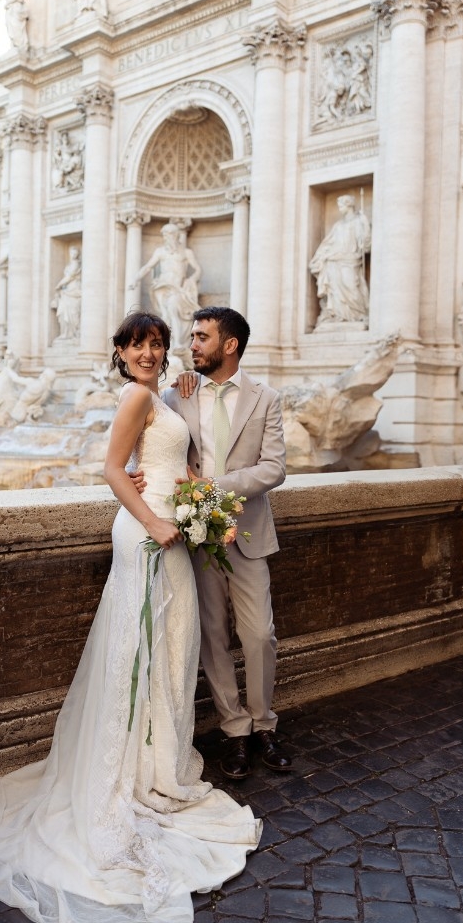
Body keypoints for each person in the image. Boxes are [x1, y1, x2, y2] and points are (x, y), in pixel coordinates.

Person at [0, 311, 261, 923]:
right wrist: (158, 521)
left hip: (170, 528)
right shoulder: (135, 395)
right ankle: (128, 767)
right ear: (120, 350)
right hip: (145, 534)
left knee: (170, 642)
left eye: (157, 344)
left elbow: (170, 463)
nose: (149, 352)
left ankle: (154, 759)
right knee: (139, 644)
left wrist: (203, 506)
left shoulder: (160, 394)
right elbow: (113, 469)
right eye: (138, 344)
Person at [161, 307, 291, 781]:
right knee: (212, 639)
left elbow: (274, 468)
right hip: (196, 540)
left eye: (201, 337)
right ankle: (235, 730)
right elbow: (153, 436)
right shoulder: (180, 395)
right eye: (192, 336)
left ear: (229, 344)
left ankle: (264, 724)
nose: (191, 345)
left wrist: (212, 489)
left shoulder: (266, 398)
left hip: (249, 534)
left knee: (259, 635)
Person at [135, 224, 201, 355]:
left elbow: (198, 270)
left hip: (177, 289)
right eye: (164, 235)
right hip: (162, 288)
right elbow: (148, 267)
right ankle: (169, 344)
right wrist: (136, 279)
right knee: (166, 316)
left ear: (174, 235)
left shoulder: (186, 252)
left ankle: (177, 344)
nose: (165, 238)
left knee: (172, 308)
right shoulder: (160, 252)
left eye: (167, 235)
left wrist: (191, 280)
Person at [309, 194, 371, 326]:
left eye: (341, 206)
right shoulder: (338, 225)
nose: (339, 208)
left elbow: (365, 243)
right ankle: (338, 314)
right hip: (335, 258)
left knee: (351, 285)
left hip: (351, 258)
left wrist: (365, 225)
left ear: (349, 205)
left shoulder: (359, 221)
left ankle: (358, 314)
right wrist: (321, 256)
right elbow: (328, 242)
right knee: (335, 287)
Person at [51, 246, 82, 341]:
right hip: (66, 291)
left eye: (75, 253)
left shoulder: (76, 264)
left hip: (74, 290)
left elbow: (70, 277)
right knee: (63, 312)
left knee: (73, 313)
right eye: (72, 253)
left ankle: (71, 334)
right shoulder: (69, 264)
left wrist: (59, 285)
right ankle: (65, 333)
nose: (73, 255)